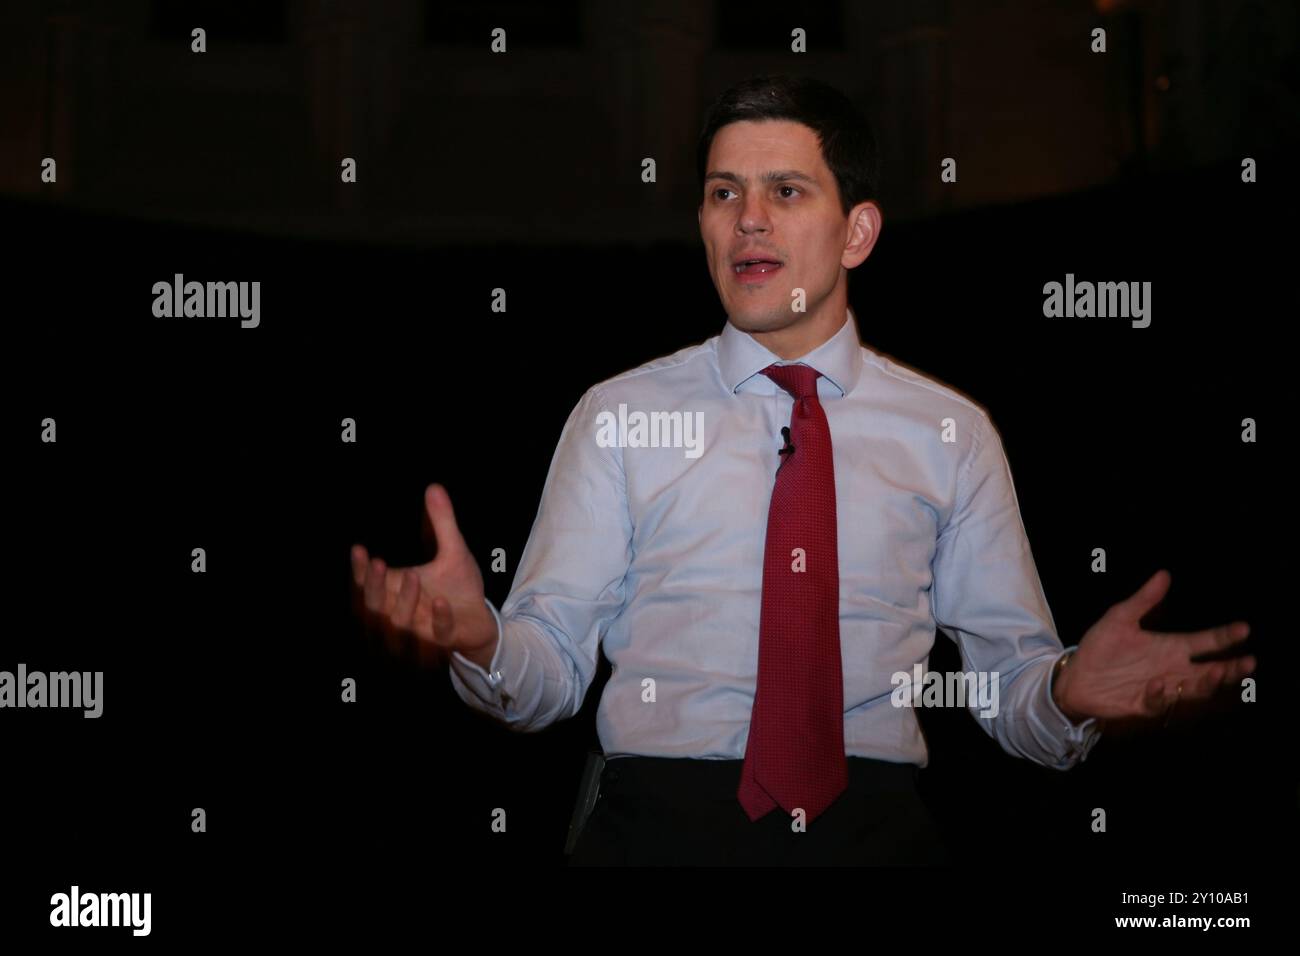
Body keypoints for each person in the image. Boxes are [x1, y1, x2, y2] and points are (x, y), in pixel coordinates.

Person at [350, 74, 1256, 866]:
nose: (749, 217)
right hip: (655, 829)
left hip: (877, 832)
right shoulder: (617, 415)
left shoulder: (952, 433)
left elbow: (1006, 690)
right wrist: (480, 640)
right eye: (722, 192)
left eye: (786, 190)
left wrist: (1062, 690)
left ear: (857, 231)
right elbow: (542, 679)